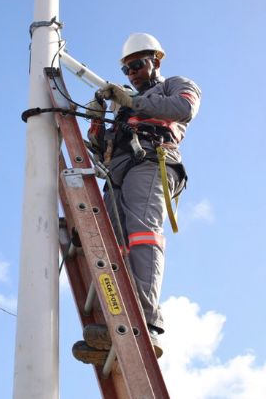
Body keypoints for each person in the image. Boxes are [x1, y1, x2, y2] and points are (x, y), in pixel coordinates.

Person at [72, 33, 202, 366]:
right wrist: (97, 116)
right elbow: (100, 147)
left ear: (156, 60)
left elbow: (183, 109)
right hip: (118, 172)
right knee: (111, 243)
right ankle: (111, 317)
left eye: (137, 65)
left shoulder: (175, 85)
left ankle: (145, 319)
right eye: (127, 69)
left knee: (142, 234)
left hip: (151, 162)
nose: (132, 73)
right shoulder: (122, 107)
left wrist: (131, 102)